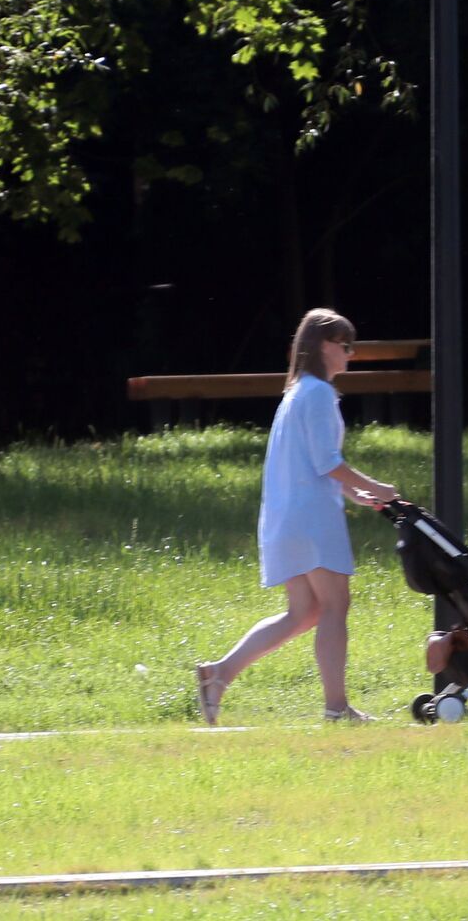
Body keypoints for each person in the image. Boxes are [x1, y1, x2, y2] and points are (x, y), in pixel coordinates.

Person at [195, 308, 398, 725]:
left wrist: (357, 494)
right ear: (325, 346)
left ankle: (219, 674)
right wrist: (379, 488)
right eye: (345, 346)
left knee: (303, 612)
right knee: (335, 606)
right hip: (312, 521)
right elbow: (328, 461)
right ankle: (337, 708)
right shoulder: (319, 394)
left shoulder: (296, 393)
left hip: (284, 519)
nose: (350, 354)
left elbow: (316, 465)